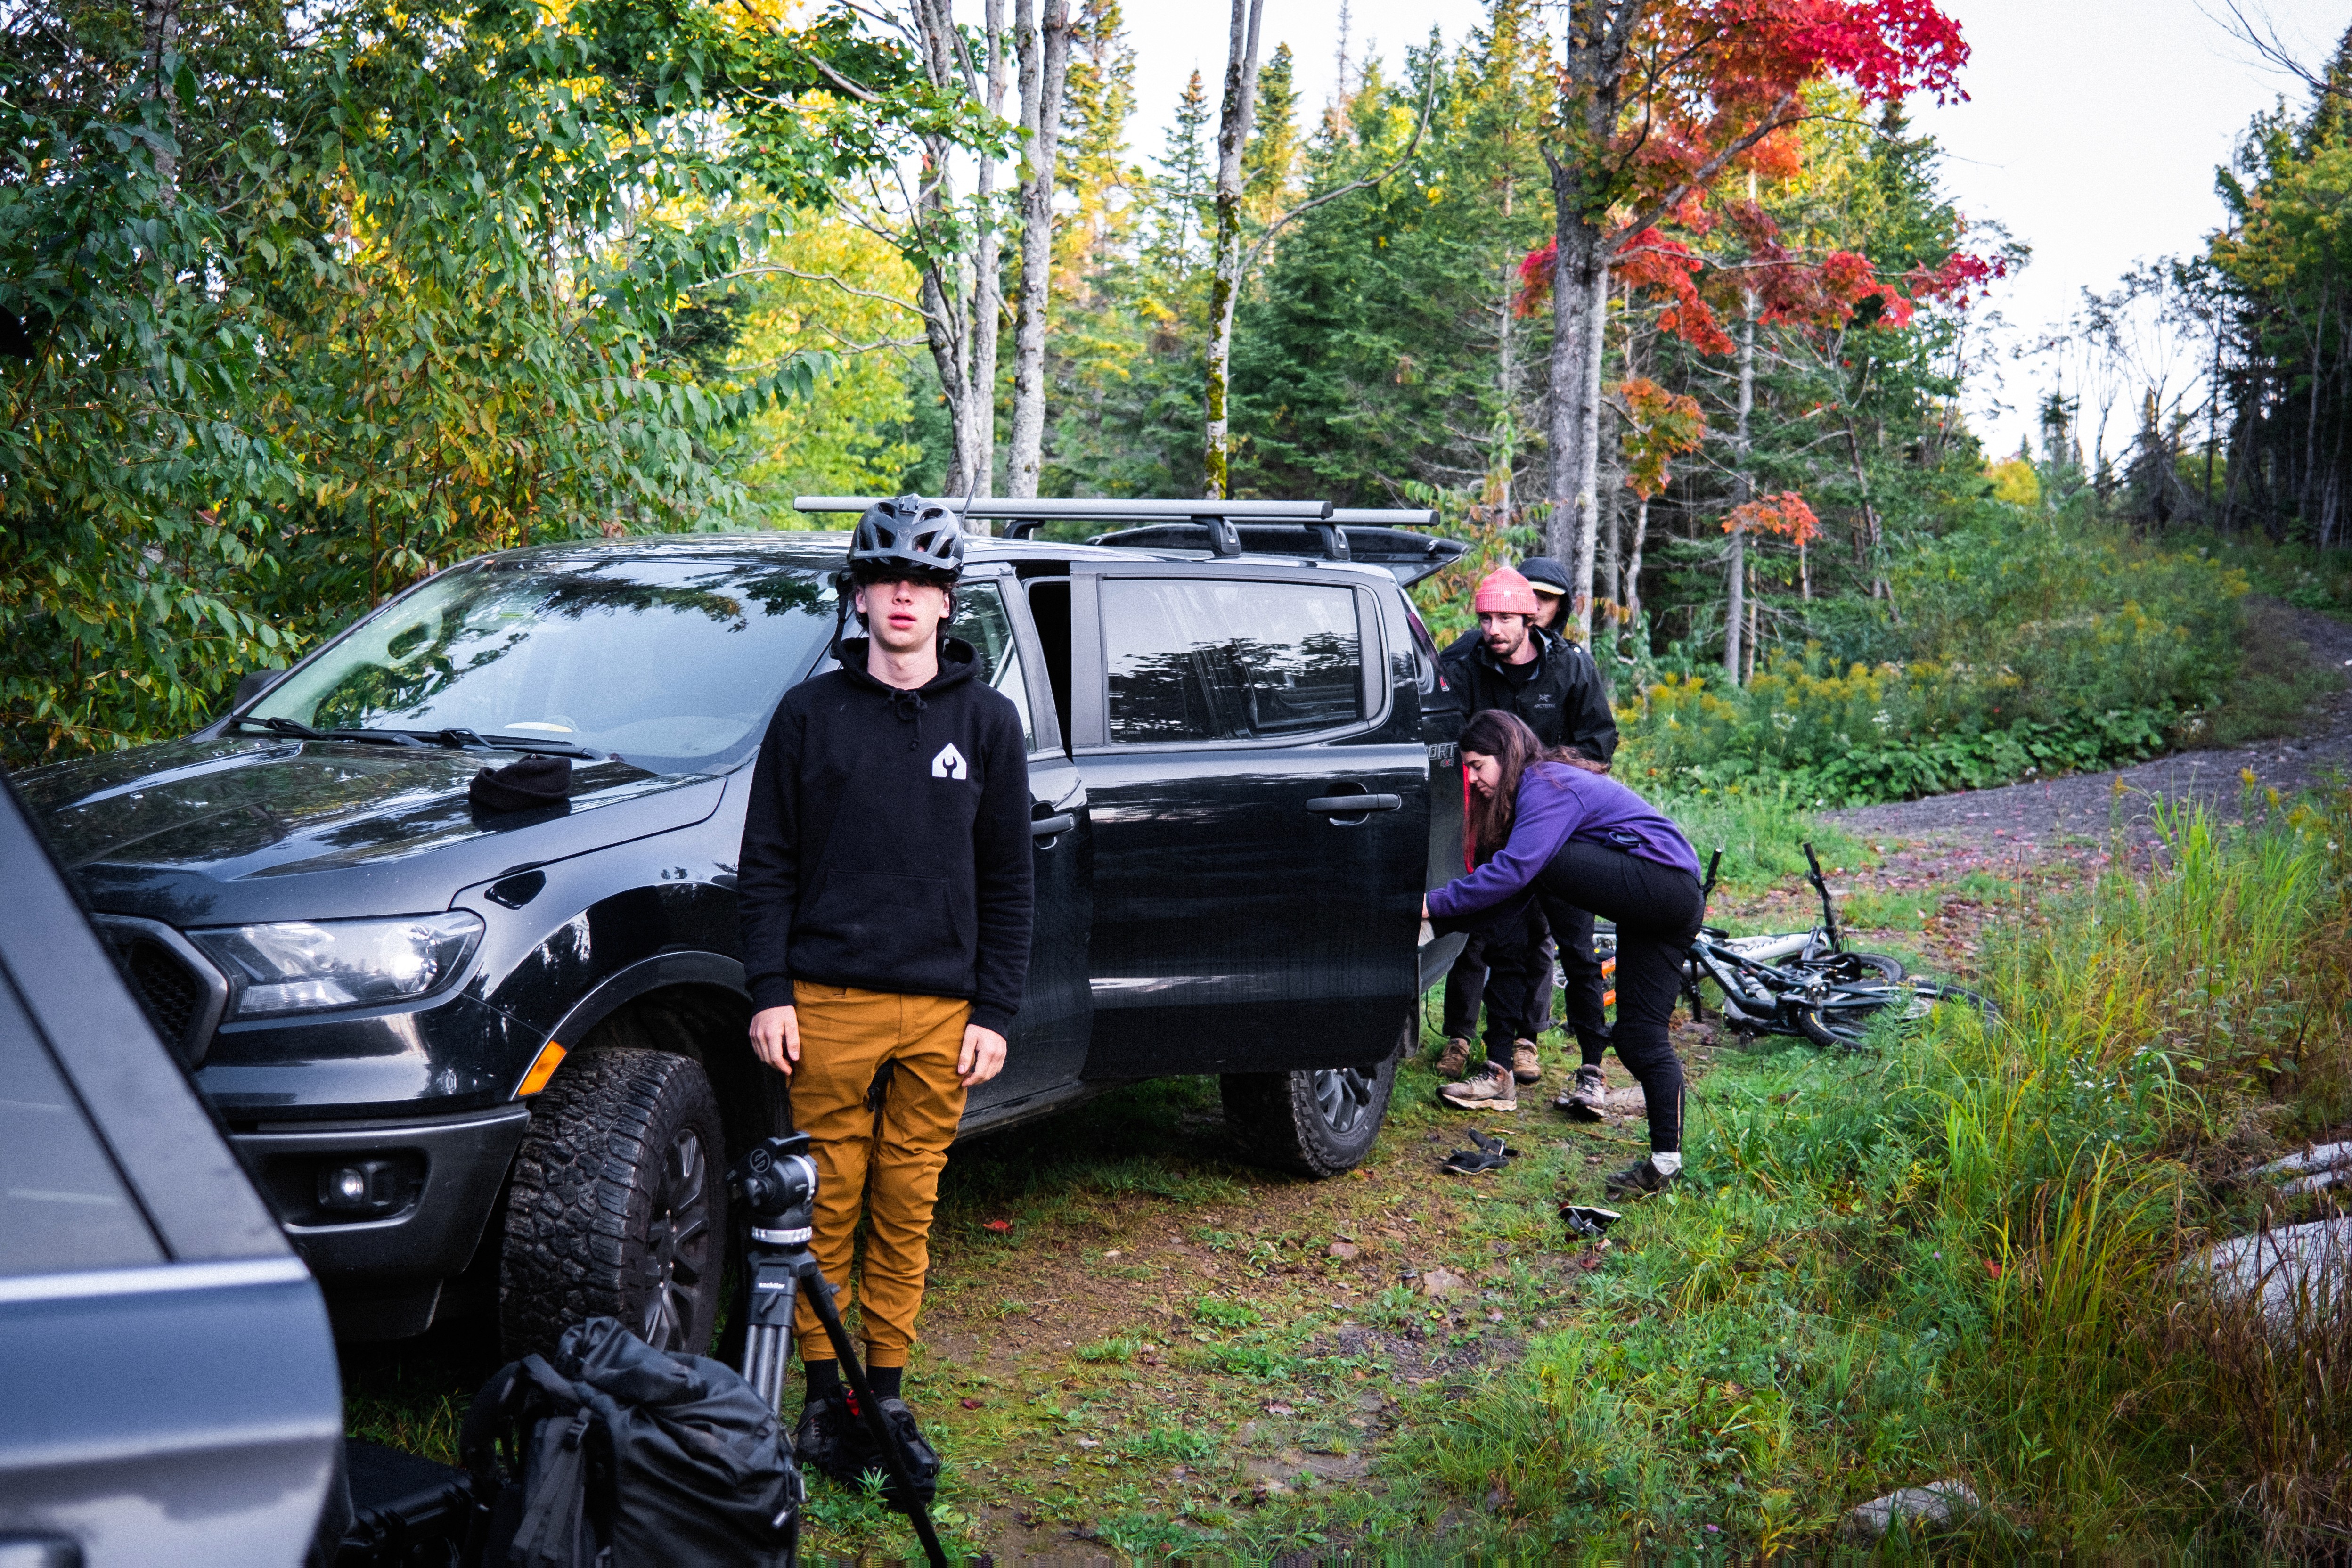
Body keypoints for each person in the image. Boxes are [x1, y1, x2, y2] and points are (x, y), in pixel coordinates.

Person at [736, 495, 1035, 1486]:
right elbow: (767, 860)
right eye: (885, 579)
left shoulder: (988, 722)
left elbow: (1010, 878)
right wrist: (770, 988)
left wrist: (995, 1008)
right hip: (826, 999)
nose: (903, 597)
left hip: (944, 1010)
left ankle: (889, 1390)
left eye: (924, 582)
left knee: (908, 1199)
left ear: (949, 603)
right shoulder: (807, 715)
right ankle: (826, 1402)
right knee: (831, 1197)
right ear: (858, 597)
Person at [1424, 709, 1703, 1198]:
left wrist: (1435, 904)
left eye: (1477, 766)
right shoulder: (1541, 787)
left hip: (1668, 888)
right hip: (1663, 903)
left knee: (1535, 862)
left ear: (1506, 756)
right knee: (1639, 1038)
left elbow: (1517, 870)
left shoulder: (1546, 784)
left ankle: (1432, 922)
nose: (1473, 779)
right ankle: (1666, 1165)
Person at [1432, 566, 1616, 1112]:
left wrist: (1534, 770)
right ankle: (1497, 1070)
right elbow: (1443, 733)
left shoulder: (1571, 666)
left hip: (1562, 827)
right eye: (1485, 617)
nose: (1493, 627)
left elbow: (1600, 745)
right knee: (1502, 945)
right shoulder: (1464, 663)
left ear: (1531, 616)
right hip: (1494, 826)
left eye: (1505, 617)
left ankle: (1591, 1073)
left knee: (1577, 952)